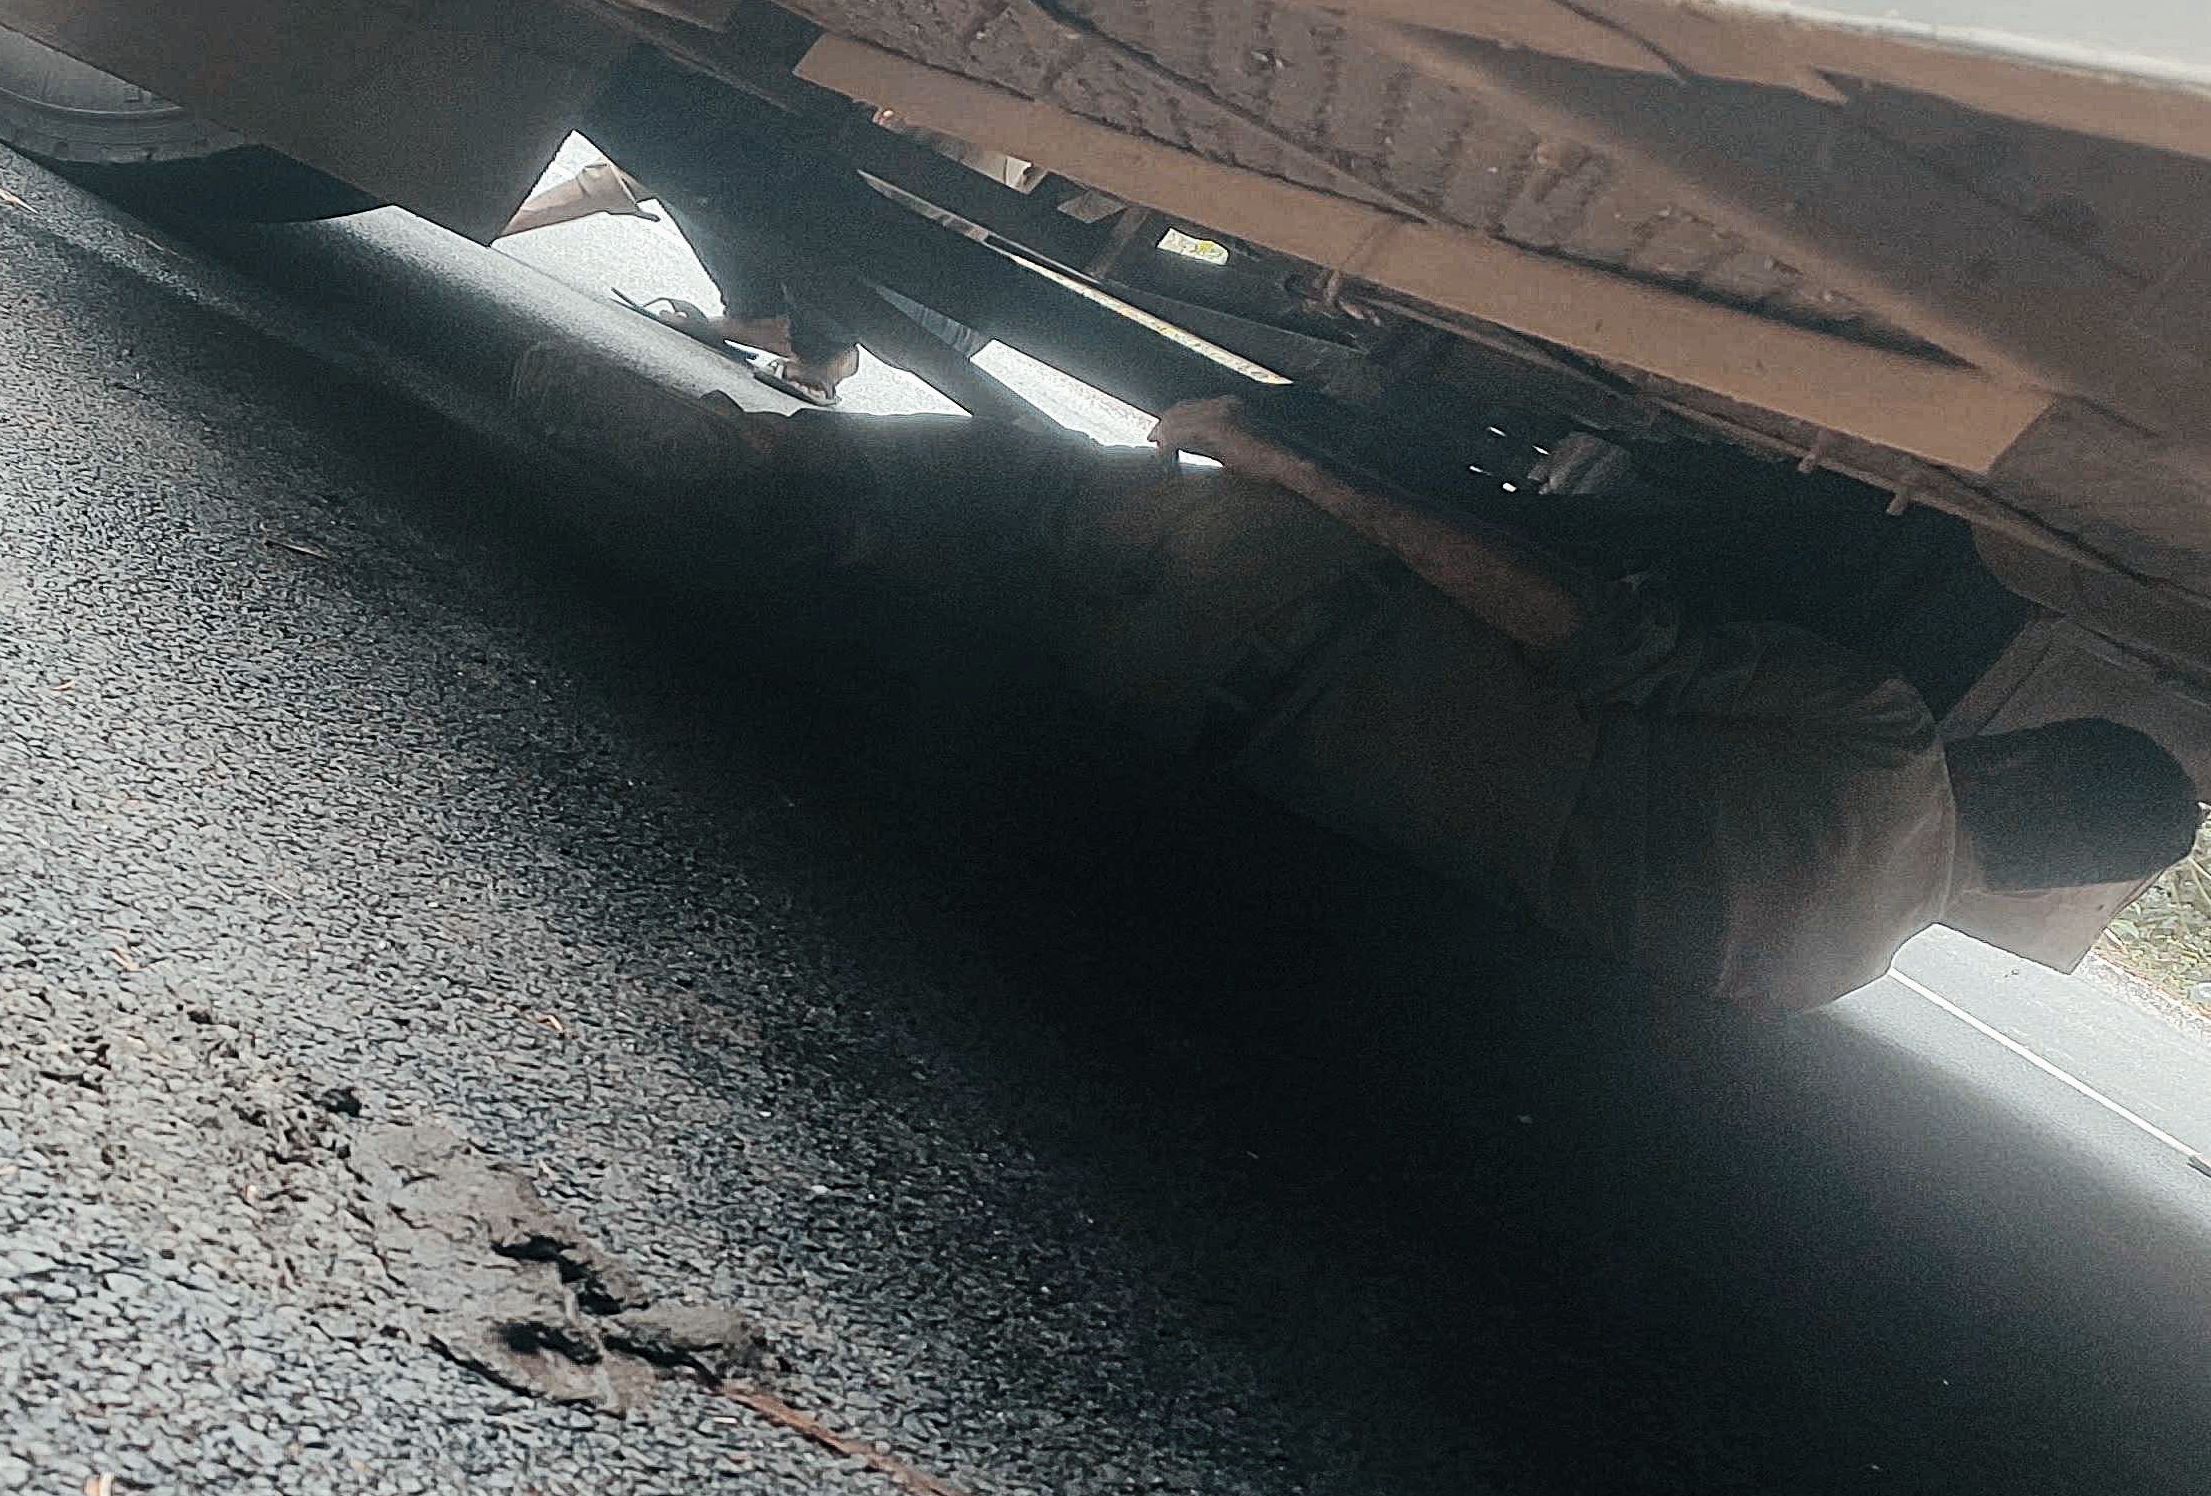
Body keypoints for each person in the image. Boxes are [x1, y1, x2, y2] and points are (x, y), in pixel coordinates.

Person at [775, 386, 2198, 1009]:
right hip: (1211, 733)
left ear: (2018, 763)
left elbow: (1566, 620)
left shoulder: (1885, 737)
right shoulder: (1814, 975)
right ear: (2040, 887)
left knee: (1047, 488)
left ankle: (773, 454)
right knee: (1001, 599)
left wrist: (1294, 466)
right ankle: (851, 534)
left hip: (1290, 594)